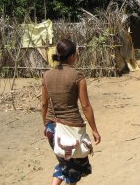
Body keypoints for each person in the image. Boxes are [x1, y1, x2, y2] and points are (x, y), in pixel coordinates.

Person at [41, 39, 101, 185]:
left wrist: (46, 125)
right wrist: (94, 130)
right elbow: (86, 106)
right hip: (71, 129)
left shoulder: (47, 75)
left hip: (52, 128)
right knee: (74, 169)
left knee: (64, 164)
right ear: (72, 56)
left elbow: (43, 104)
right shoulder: (77, 76)